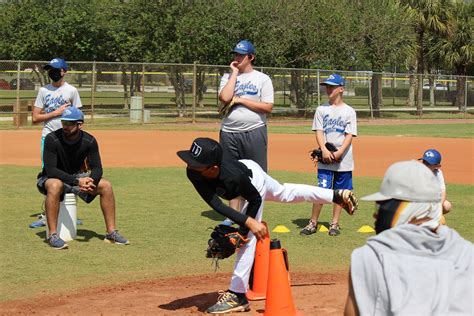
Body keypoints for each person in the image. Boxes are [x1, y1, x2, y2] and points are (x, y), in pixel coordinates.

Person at [177, 137, 357, 314]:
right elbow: (216, 204)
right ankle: (336, 195)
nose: (190, 165)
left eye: (196, 163)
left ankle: (237, 294)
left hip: (252, 181)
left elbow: (254, 199)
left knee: (247, 240)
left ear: (213, 168)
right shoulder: (194, 172)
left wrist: (246, 227)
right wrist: (245, 223)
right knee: (284, 193)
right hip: (246, 169)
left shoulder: (233, 177)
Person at [344, 160, 473, 315]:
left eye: (383, 207)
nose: (376, 215)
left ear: (409, 209)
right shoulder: (468, 254)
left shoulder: (370, 258)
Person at [37, 107, 129, 249]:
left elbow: (97, 167)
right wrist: (77, 181)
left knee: (106, 185)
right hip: (50, 178)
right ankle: (53, 235)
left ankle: (111, 233)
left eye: (69, 124)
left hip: (76, 178)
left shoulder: (89, 140)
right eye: (64, 123)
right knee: (55, 185)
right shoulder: (52, 139)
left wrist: (91, 181)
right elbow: (51, 170)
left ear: (79, 124)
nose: (65, 127)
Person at [218, 39, 274, 213]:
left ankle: (253, 214)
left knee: (256, 175)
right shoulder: (227, 77)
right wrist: (234, 72)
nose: (237, 57)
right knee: (231, 175)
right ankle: (234, 216)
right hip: (229, 132)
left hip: (254, 132)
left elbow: (268, 107)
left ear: (251, 57)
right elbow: (225, 98)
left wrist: (241, 100)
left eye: (241, 54)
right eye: (236, 54)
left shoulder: (262, 79)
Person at [300, 74, 357, 237]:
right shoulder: (321, 109)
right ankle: (312, 223)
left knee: (340, 193)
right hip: (325, 159)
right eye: (327, 86)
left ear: (341, 89)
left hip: (344, 159)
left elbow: (349, 135)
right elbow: (319, 131)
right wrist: (324, 150)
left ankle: (335, 224)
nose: (328, 89)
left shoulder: (349, 112)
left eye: (332, 86)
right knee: (322, 190)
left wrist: (339, 152)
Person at [30, 57, 83, 228]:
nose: (51, 73)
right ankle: (46, 215)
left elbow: (79, 118)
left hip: (68, 140)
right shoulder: (44, 91)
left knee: (71, 173)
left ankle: (70, 214)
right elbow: (35, 118)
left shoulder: (72, 91)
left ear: (64, 71)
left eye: (55, 69)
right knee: (50, 174)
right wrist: (56, 113)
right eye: (49, 70)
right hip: (49, 138)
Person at [419, 149, 452, 223]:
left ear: (437, 166)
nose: (425, 165)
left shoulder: (438, 173)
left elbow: (442, 191)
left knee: (446, 206)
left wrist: (438, 209)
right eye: (424, 162)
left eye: (428, 163)